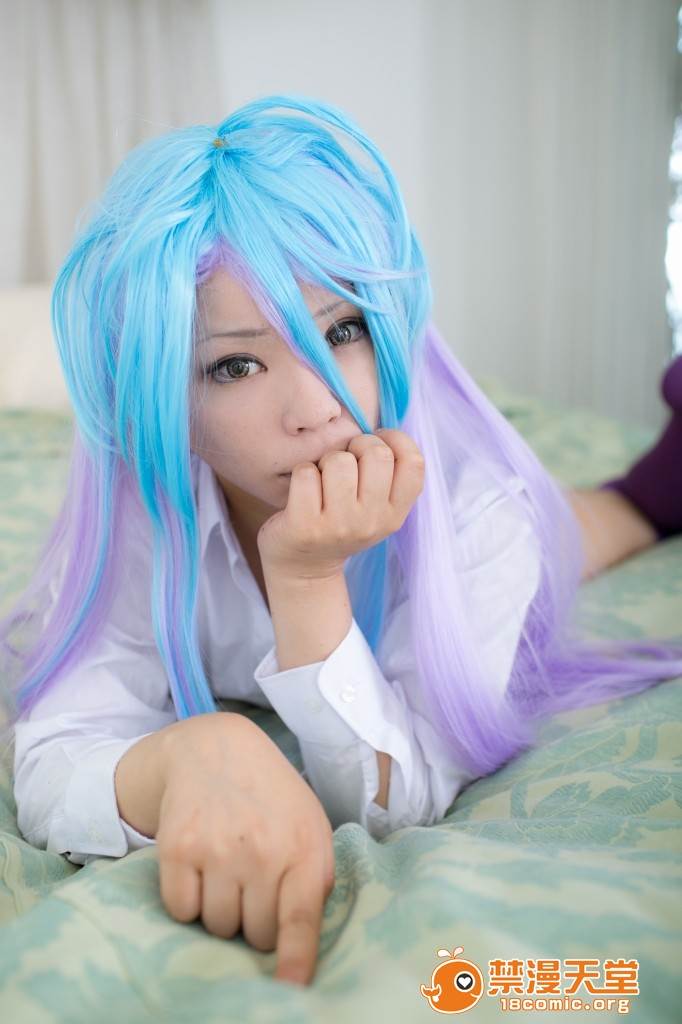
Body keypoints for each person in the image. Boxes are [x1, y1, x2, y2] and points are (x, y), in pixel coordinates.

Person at [1, 95, 681, 990]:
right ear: (168, 397)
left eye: (342, 330)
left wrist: (307, 578)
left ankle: (661, 477)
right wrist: (188, 756)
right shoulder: (147, 503)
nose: (317, 405)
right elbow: (58, 750)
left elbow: (397, 800)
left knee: (593, 525)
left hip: (482, 516)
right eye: (236, 364)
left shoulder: (481, 510)